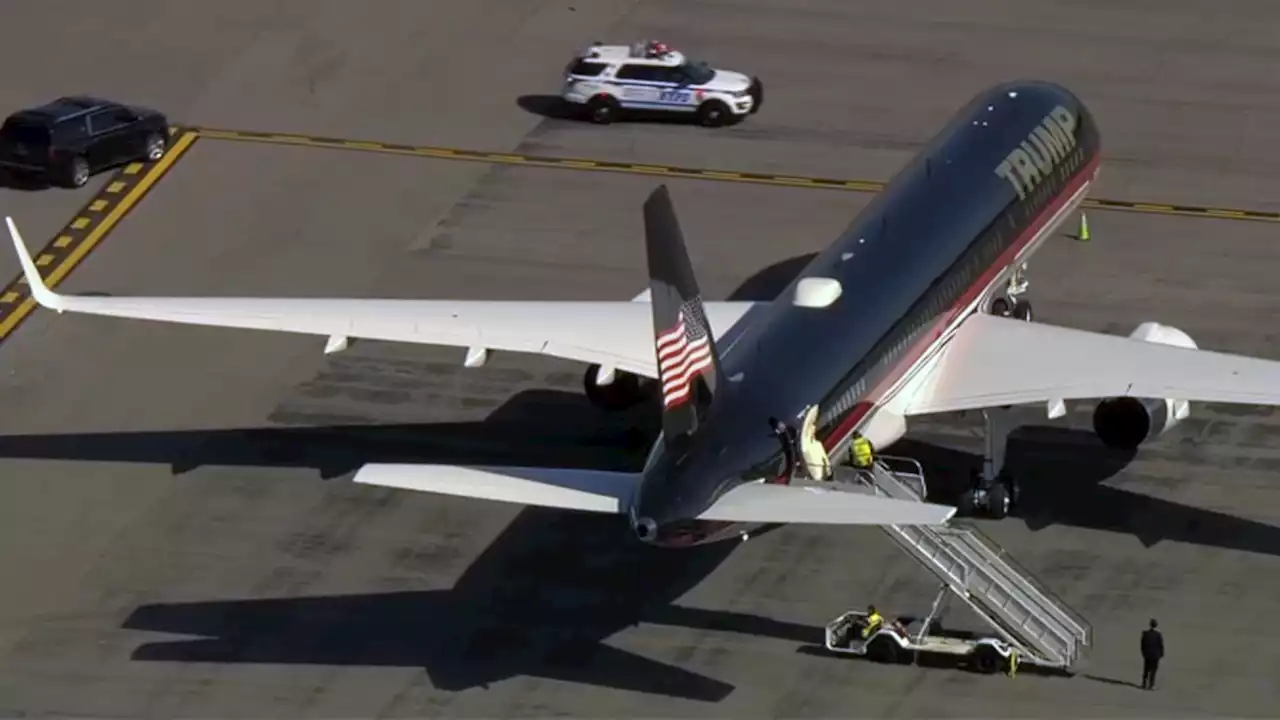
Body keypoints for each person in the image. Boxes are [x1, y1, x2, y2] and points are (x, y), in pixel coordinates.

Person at [1141, 619, 1164, 690]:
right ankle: (1151, 684)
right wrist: (1161, 654)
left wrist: (1144, 653)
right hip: (1155, 655)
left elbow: (1142, 645)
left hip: (1147, 654)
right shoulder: (1158, 635)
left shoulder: (1145, 633)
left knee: (1146, 670)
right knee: (1153, 670)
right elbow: (1160, 645)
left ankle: (1144, 684)